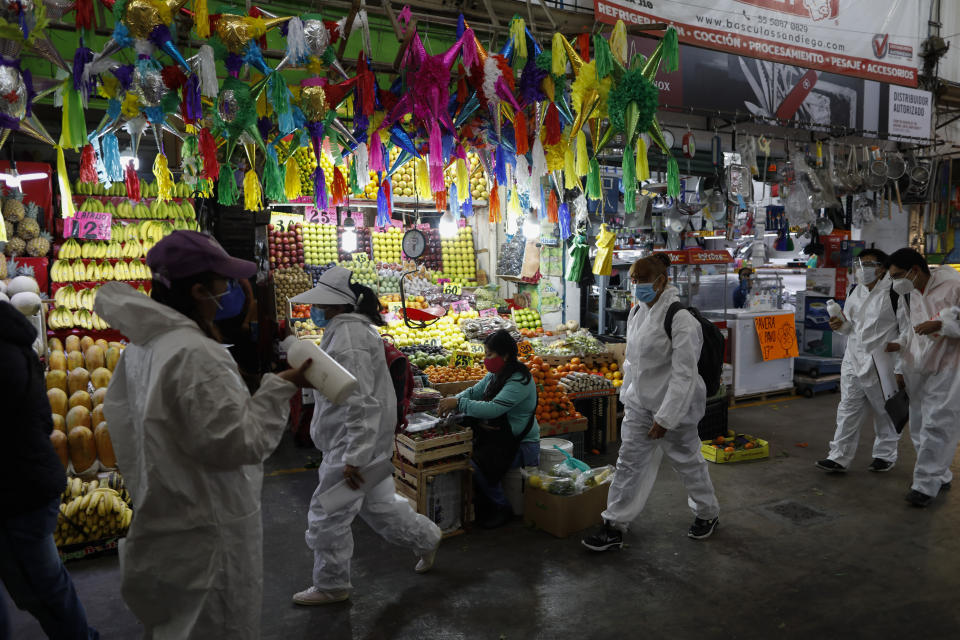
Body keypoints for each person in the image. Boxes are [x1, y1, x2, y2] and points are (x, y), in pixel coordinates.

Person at [94, 231, 311, 639]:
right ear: (198, 290)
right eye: (222, 283)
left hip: (170, 516)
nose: (231, 291)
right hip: (208, 532)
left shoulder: (145, 347)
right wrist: (279, 387)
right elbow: (242, 442)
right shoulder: (196, 354)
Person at [291, 266, 442, 606]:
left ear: (334, 306)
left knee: (328, 515)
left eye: (321, 306)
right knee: (381, 508)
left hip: (352, 448)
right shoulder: (352, 333)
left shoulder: (349, 339)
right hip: (366, 446)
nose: (316, 311)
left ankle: (331, 584)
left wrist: (353, 458)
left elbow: (360, 403)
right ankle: (428, 538)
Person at [582, 254, 720, 552]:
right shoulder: (637, 312)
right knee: (628, 463)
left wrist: (666, 418)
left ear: (661, 280)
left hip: (676, 410)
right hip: (640, 405)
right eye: (633, 279)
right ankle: (614, 525)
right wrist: (628, 397)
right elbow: (633, 364)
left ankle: (707, 513)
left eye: (641, 280)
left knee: (688, 463)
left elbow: (684, 375)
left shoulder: (681, 320)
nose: (636, 285)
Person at [0, 301, 99, 640]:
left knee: (43, 588)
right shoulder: (13, 338)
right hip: (33, 477)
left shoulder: (4, 356)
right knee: (45, 586)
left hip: (17, 490)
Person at [437, 329, 540, 529]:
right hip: (501, 438)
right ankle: (486, 503)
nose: (486, 359)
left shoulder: (519, 380)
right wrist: (454, 400)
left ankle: (503, 508)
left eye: (489, 354)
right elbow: (475, 391)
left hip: (521, 445)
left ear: (505, 355)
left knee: (477, 464)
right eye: (485, 354)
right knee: (474, 453)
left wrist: (459, 404)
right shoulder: (496, 375)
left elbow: (494, 409)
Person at [884, 248, 960, 507]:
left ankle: (924, 486)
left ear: (915, 270)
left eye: (897, 275)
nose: (894, 282)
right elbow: (910, 330)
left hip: (949, 366)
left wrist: (941, 325)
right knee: (918, 425)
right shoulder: (911, 293)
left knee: (937, 425)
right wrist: (898, 348)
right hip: (918, 366)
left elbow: (939, 324)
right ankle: (940, 473)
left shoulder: (953, 285)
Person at [815, 249, 903, 473]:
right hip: (853, 359)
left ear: (882, 267)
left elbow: (906, 330)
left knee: (886, 411)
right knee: (848, 409)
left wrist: (902, 366)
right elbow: (849, 327)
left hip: (883, 363)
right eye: (860, 264)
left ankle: (885, 455)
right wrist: (839, 325)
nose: (862, 269)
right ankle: (839, 456)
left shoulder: (895, 292)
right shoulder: (856, 291)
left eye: (869, 264)